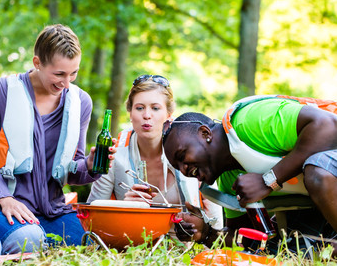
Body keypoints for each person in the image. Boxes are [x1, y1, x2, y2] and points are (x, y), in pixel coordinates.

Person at [0, 24, 111, 254]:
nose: (67, 83)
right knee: (28, 240)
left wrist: (91, 166)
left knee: (88, 244)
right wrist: (4, 198)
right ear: (37, 63)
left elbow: (73, 171)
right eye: (59, 74)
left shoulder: (81, 101)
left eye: (74, 73)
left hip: (52, 212)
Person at [162, 95, 337, 254]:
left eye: (182, 156)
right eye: (178, 167)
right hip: (318, 206)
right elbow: (252, 238)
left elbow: (327, 125)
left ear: (205, 133)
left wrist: (268, 180)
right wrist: (206, 233)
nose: (184, 170)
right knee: (284, 246)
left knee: (317, 173)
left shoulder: (250, 121)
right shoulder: (229, 179)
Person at [87, 74, 223, 235]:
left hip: (183, 252)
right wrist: (123, 208)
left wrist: (203, 232)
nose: (147, 115)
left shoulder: (191, 152)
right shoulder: (113, 155)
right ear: (130, 114)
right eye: (139, 108)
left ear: (169, 115)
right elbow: (91, 219)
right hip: (129, 248)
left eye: (155, 108)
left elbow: (218, 228)